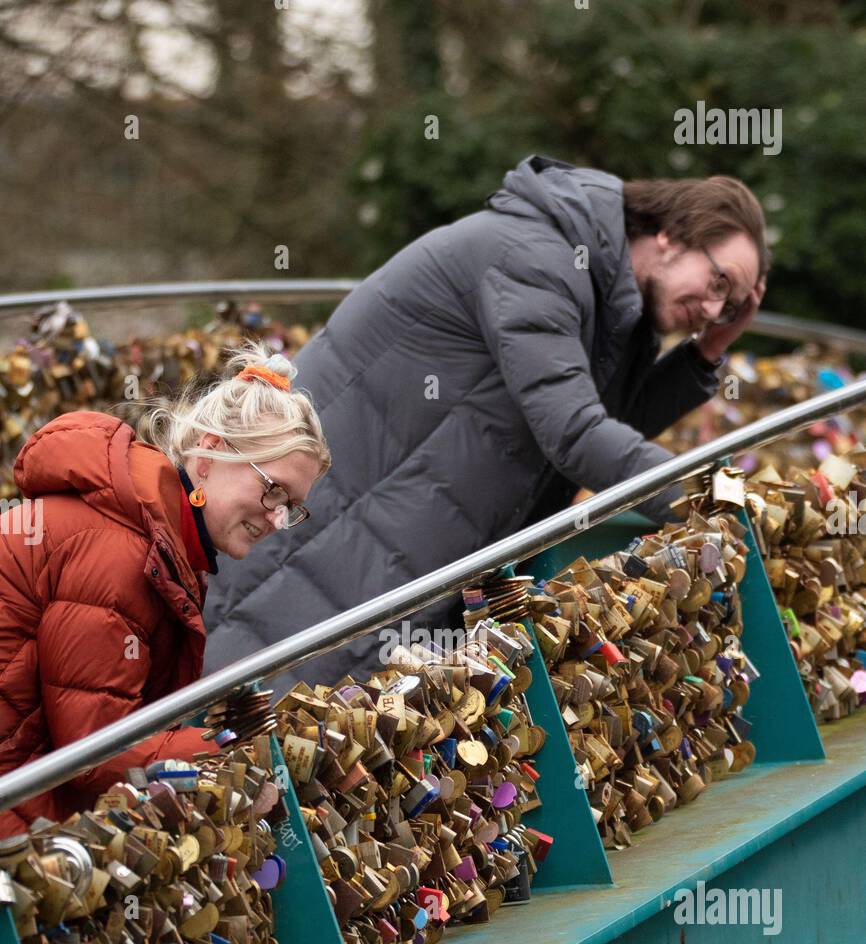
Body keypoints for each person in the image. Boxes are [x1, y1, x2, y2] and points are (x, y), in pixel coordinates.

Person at [203, 157, 769, 690]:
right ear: (670, 235)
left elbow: (603, 426)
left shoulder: (603, 294)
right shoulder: (536, 257)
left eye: (735, 306)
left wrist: (705, 353)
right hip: (325, 534)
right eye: (720, 284)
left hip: (389, 544)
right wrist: (719, 500)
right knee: (230, 704)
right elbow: (576, 432)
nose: (716, 311)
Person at [0, 345, 330, 835]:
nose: (276, 518)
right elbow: (94, 751)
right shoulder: (119, 550)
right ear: (211, 453)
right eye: (273, 489)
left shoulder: (156, 539)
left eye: (292, 507)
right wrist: (240, 756)